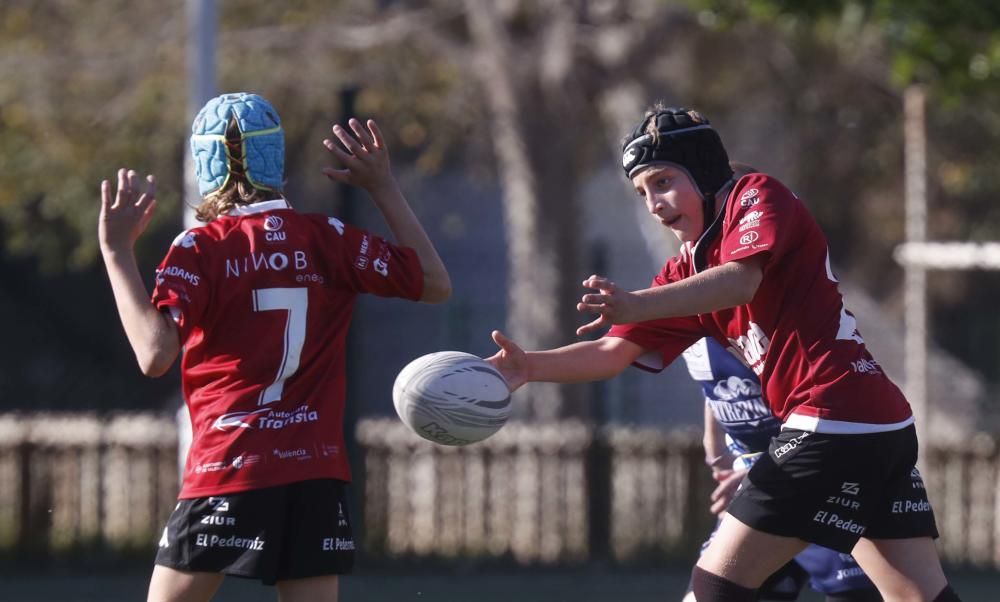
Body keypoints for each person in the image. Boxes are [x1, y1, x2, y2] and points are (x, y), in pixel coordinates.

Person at [487, 104, 960, 601]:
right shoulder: (684, 275)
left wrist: (633, 301)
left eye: (664, 181)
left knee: (715, 587)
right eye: (642, 192)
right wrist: (529, 367)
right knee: (918, 597)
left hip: (831, 423)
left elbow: (740, 281)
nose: (653, 202)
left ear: (706, 170)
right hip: (876, 428)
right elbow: (611, 350)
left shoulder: (756, 195)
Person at [99, 92, 450, 602]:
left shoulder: (201, 248)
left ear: (204, 165)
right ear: (276, 160)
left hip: (230, 465)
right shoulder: (327, 238)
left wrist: (116, 253)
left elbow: (154, 354)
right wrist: (383, 186)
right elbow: (435, 284)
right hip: (314, 469)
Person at [680, 337, 879, 602]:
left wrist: (767, 471)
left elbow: (827, 409)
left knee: (861, 592)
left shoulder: (766, 323)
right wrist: (715, 446)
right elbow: (715, 390)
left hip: (817, 484)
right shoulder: (687, 326)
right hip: (760, 489)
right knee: (707, 593)